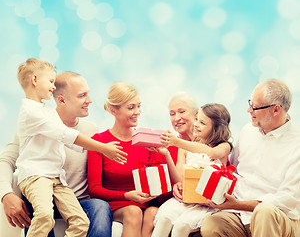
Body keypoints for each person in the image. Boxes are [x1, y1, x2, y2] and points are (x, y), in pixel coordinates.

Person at [3, 58, 127, 237]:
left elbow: (70, 143)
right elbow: (64, 135)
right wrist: (6, 194)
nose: (90, 100)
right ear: (61, 100)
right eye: (82, 95)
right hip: (39, 186)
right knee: (42, 213)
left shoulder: (86, 128)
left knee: (94, 211)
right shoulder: (32, 117)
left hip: (65, 191)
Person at [200, 79, 300, 237]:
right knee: (212, 224)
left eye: (254, 107)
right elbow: (232, 170)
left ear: (276, 110)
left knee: (264, 210)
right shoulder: (248, 131)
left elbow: (286, 200)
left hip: (279, 217)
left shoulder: (297, 143)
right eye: (249, 103)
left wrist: (240, 204)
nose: (248, 110)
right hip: (241, 214)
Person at [88, 81, 167, 237]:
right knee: (133, 212)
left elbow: (159, 181)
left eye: (139, 106)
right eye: (131, 107)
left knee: (153, 213)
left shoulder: (147, 141)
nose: (137, 111)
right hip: (118, 204)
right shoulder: (99, 142)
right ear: (113, 110)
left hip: (145, 203)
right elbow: (94, 189)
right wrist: (126, 196)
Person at [152, 103, 232, 237]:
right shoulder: (185, 146)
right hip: (186, 201)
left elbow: (211, 153)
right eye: (196, 119)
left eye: (202, 123)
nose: (196, 124)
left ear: (216, 127)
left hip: (206, 204)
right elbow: (179, 178)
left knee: (181, 226)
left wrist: (176, 142)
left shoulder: (223, 147)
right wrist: (166, 154)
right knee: (164, 219)